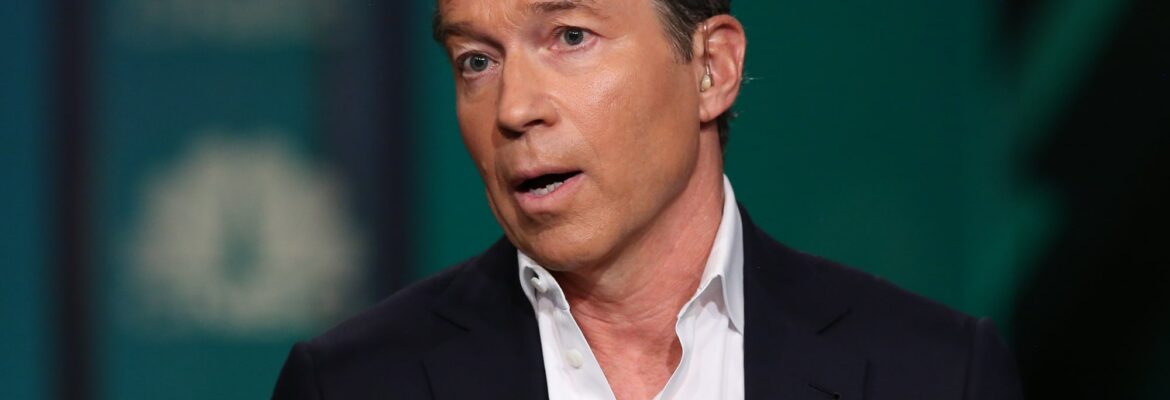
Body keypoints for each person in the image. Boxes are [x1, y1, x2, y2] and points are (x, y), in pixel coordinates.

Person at [273, 0, 1024, 398]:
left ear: (711, 68)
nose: (514, 108)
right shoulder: (352, 386)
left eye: (570, 36)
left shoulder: (936, 376)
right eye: (476, 61)